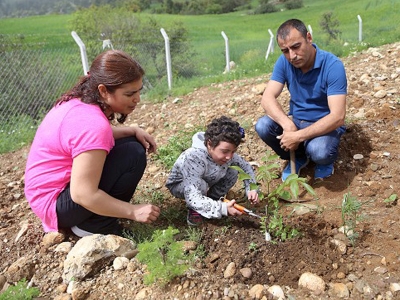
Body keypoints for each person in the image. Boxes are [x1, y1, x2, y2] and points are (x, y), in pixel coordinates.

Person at [24, 50, 160, 237]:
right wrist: (133, 211)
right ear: (103, 90)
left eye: (139, 91)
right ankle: (95, 225)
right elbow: (82, 194)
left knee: (130, 142)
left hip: (45, 195)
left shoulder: (79, 103)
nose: (137, 99)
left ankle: (92, 218)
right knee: (133, 154)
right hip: (56, 204)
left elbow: (86, 138)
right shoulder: (93, 124)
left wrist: (132, 129)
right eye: (130, 94)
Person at [255, 19, 347, 181]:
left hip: (324, 126)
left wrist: (297, 137)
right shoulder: (284, 62)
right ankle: (299, 157)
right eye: (285, 50)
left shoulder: (332, 65)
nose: (292, 56)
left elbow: (338, 117)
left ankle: (323, 162)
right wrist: (288, 124)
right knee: (263, 126)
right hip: (297, 122)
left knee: (319, 151)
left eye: (296, 47)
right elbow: (267, 98)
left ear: (309, 38)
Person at [166, 116, 259, 226]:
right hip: (184, 185)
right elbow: (192, 196)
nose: (229, 156)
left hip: (207, 178)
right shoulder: (193, 158)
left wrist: (251, 189)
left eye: (233, 151)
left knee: (233, 172)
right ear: (209, 144)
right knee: (201, 185)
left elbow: (245, 167)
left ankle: (212, 199)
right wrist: (222, 209)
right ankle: (196, 210)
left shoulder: (226, 155)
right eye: (225, 151)